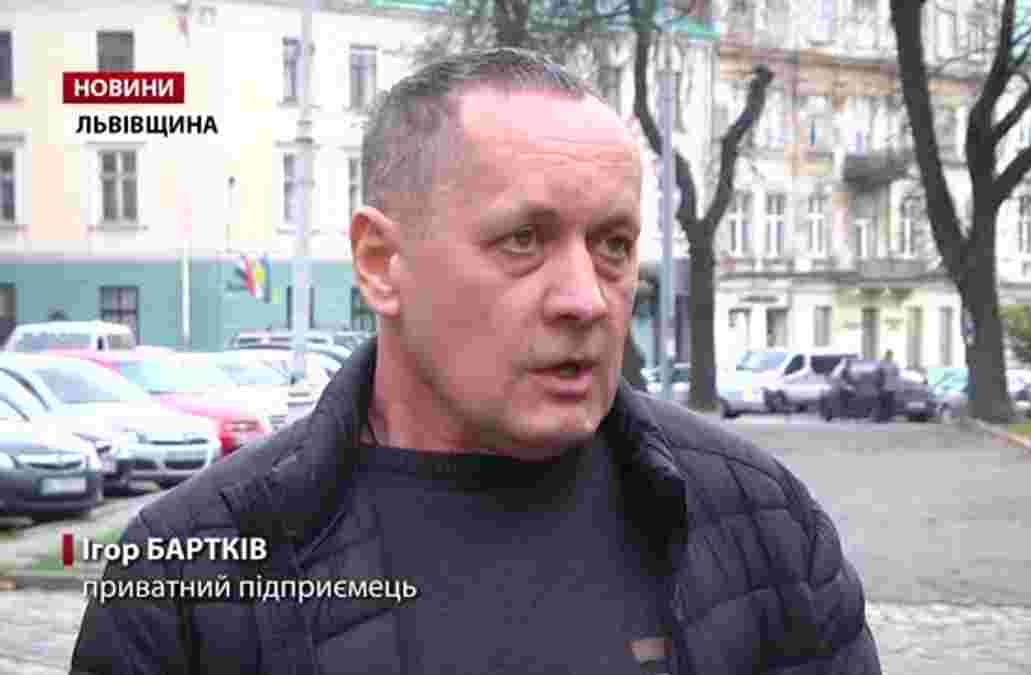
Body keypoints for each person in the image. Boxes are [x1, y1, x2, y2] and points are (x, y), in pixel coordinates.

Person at [70, 48, 880, 675]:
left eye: (613, 245)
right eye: (523, 239)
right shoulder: (183, 584)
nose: (586, 299)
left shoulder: (766, 526)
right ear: (381, 263)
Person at [876, 350, 900, 422]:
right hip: (883, 386)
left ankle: (889, 417)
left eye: (890, 355)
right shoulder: (881, 363)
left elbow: (897, 374)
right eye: (888, 355)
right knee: (883, 402)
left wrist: (897, 385)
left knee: (890, 402)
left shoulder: (894, 364)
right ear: (886, 355)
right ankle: (882, 417)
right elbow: (878, 373)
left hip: (891, 386)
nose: (889, 356)